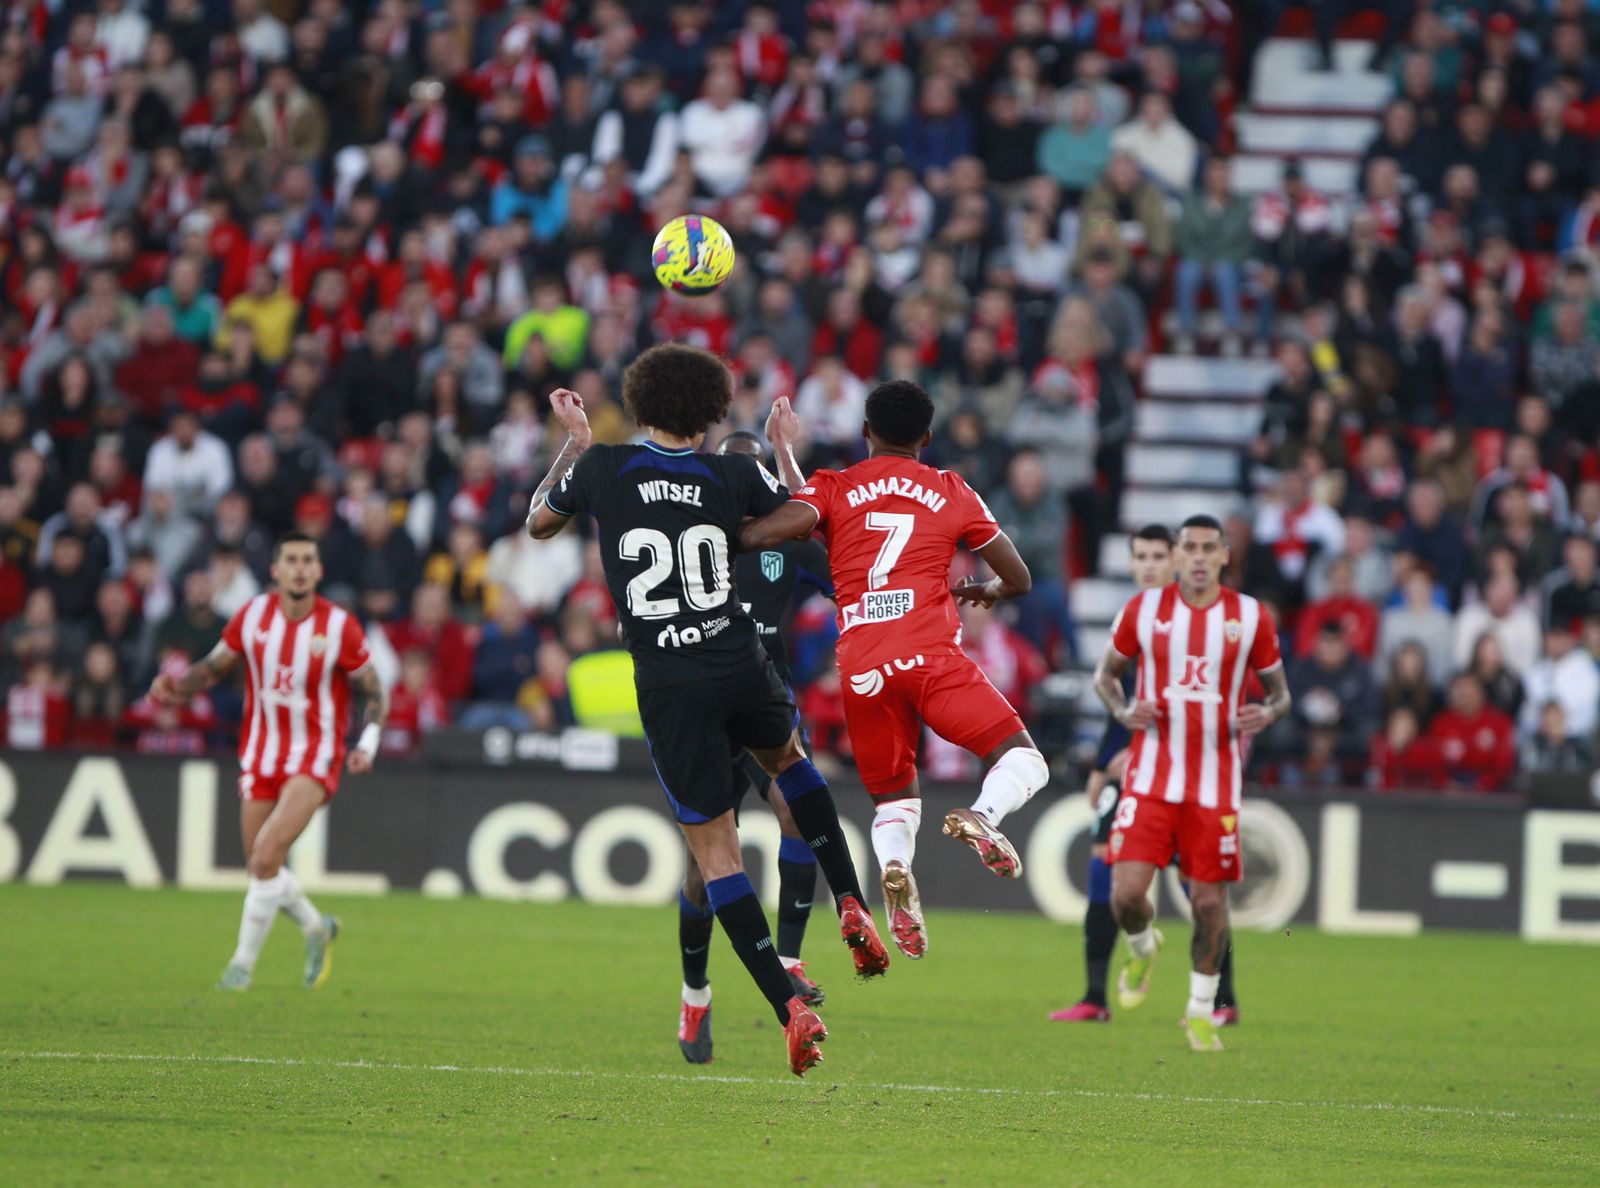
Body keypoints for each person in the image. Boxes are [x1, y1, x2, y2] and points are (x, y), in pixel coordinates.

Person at [524, 345, 885, 1078]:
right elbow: (814, 519)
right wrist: (779, 465)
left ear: (640, 404)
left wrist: (575, 441)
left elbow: (537, 522)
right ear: (712, 414)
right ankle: (850, 899)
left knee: (716, 858)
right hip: (737, 661)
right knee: (793, 765)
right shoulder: (730, 474)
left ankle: (788, 1007)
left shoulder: (604, 467)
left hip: (670, 683)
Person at [741, 379, 1048, 962]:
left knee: (895, 801)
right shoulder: (951, 489)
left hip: (862, 665)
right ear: (927, 438)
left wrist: (777, 459)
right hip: (930, 655)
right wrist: (987, 591)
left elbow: (782, 523)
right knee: (1024, 760)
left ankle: (896, 867)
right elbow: (1020, 578)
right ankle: (983, 816)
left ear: (865, 432)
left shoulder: (835, 486)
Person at [148, 532, 390, 992]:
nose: (300, 568)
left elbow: (375, 691)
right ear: (276, 570)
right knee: (263, 867)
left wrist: (369, 743)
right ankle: (317, 927)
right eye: (291, 560)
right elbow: (214, 667)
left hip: (315, 754)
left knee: (263, 857)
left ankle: (240, 969)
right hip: (260, 752)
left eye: (307, 560)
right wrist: (177, 686)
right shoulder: (252, 616)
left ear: (318, 571)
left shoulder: (339, 626)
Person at [1092, 515, 1292, 1052]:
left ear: (1225, 555)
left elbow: (1281, 694)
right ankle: (1142, 947)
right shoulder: (1144, 610)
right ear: (1178, 556)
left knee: (1207, 903)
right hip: (1151, 777)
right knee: (1126, 894)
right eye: (1190, 548)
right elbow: (1105, 676)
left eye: (1209, 548)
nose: (1199, 557)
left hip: (1214, 785)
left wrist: (1266, 713)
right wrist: (1124, 711)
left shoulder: (1249, 617)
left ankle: (1201, 1010)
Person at [673, 429, 837, 1065]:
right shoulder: (689, 536)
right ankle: (695, 992)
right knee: (702, 873)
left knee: (795, 807)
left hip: (767, 708)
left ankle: (789, 957)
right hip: (706, 715)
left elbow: (844, 568)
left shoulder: (786, 542)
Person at [1050, 523, 1247, 1026]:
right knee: (1105, 869)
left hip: (1189, 775)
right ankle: (1095, 996)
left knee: (1199, 889)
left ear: (1176, 560)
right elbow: (1126, 701)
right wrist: (1104, 764)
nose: (1150, 566)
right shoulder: (1137, 615)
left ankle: (1222, 1001)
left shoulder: (1197, 619)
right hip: (1137, 771)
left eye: (1159, 556)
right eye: (1141, 557)